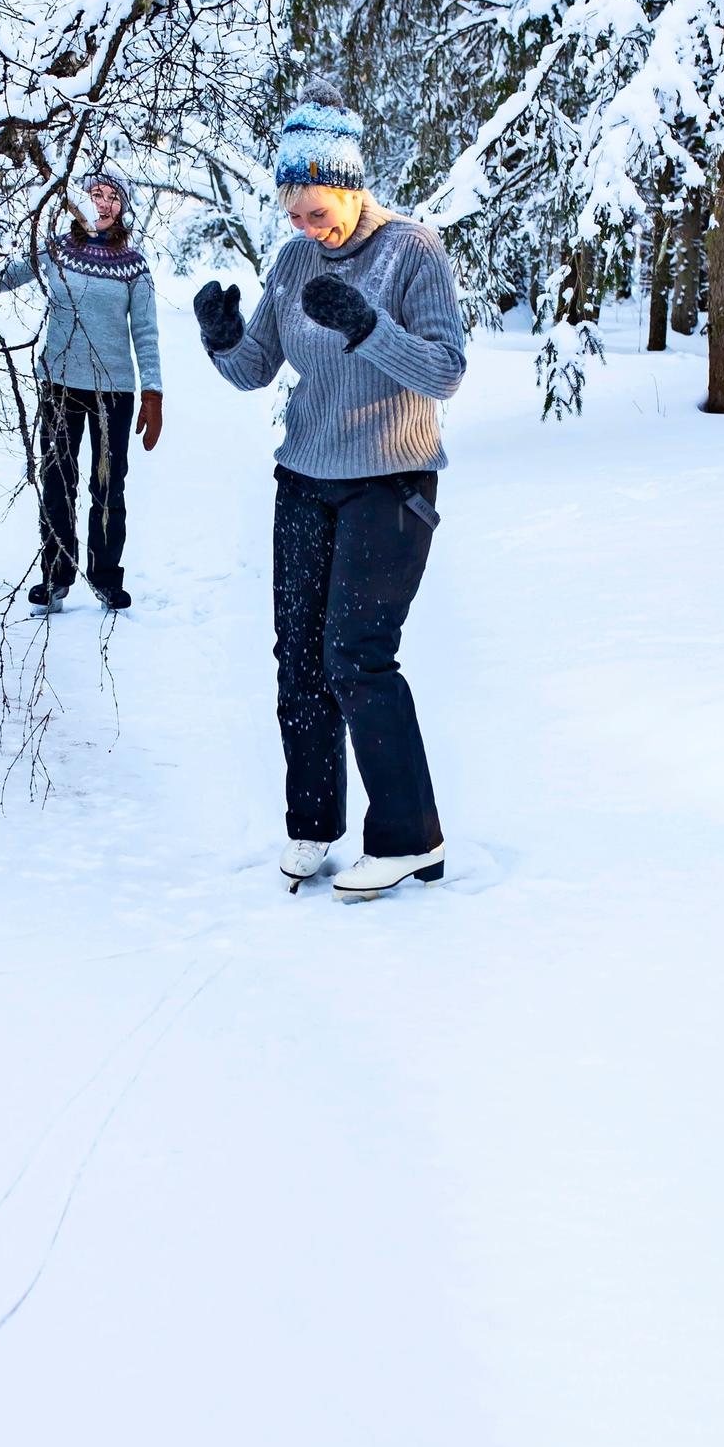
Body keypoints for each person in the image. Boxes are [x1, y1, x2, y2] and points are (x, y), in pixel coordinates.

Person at [194, 80, 465, 901]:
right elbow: (254, 371)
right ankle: (313, 825)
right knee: (299, 662)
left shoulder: (412, 251)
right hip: (304, 477)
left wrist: (366, 325)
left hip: (389, 481)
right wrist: (220, 335)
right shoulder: (293, 259)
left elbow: (444, 371)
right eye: (295, 213)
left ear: (351, 187)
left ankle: (409, 837)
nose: (309, 228)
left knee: (356, 656)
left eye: (320, 212)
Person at [0, 169, 162, 611]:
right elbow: (5, 276)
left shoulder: (134, 265)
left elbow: (145, 332)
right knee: (56, 482)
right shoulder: (56, 250)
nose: (102, 204)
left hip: (113, 393)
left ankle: (106, 579)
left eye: (112, 197)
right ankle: (56, 576)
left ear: (123, 208)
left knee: (108, 487)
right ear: (77, 201)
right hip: (60, 386)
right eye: (94, 194)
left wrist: (152, 393)